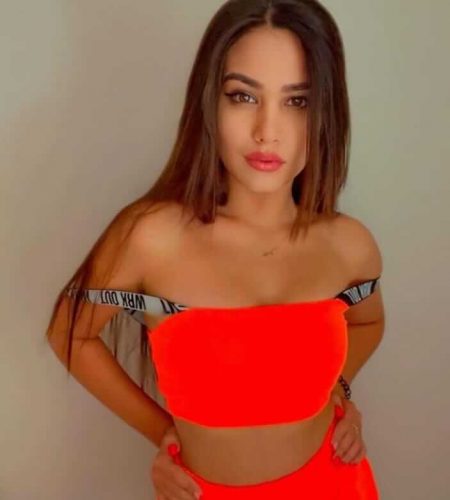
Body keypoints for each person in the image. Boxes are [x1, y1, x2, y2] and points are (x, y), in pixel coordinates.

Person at [45, 0, 385, 498]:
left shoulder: (349, 245)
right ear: (210, 103)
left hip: (336, 484)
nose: (267, 130)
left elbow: (369, 323)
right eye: (243, 96)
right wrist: (162, 433)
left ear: (325, 115)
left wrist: (341, 388)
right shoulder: (151, 237)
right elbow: (70, 334)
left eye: (297, 101)